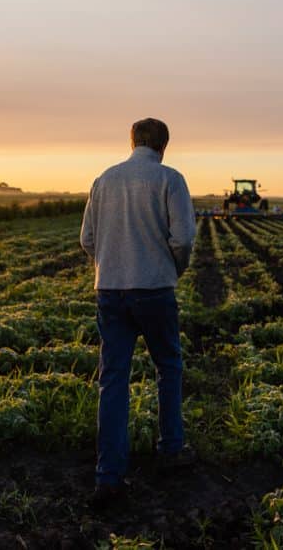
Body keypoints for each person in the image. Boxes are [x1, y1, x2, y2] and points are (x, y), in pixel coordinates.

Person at [79, 118, 197, 505]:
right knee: (168, 365)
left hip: (110, 291)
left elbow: (87, 239)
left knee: (113, 379)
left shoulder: (104, 180)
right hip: (155, 288)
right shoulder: (169, 179)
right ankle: (171, 449)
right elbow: (183, 237)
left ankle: (109, 475)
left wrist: (111, 263)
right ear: (164, 146)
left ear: (132, 142)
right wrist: (172, 268)